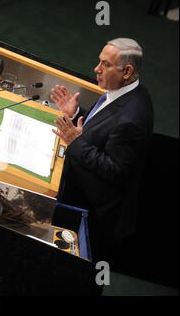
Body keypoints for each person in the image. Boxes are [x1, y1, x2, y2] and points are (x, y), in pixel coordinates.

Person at [50, 38, 154, 262]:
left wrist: (75, 142)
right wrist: (77, 113)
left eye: (105, 64)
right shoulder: (125, 90)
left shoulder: (132, 119)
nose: (96, 69)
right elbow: (104, 129)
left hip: (93, 215)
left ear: (127, 71)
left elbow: (115, 171)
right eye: (99, 61)